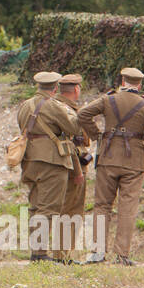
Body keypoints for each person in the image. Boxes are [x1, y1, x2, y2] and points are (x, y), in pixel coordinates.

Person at [77, 66, 144, 265]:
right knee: (128, 208)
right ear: (139, 84)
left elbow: (83, 114)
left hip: (108, 157)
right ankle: (121, 255)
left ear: (123, 82)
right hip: (134, 161)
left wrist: (97, 136)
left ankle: (98, 253)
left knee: (102, 205)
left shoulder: (108, 99)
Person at [15, 71, 80, 262]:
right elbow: (74, 128)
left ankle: (36, 251)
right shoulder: (54, 105)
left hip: (29, 160)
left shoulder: (25, 105)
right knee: (49, 207)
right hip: (51, 160)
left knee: (35, 206)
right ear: (55, 88)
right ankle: (40, 253)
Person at [57, 73, 91, 260]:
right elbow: (77, 141)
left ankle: (60, 253)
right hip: (74, 165)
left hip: (57, 165)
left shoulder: (53, 107)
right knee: (72, 210)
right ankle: (64, 254)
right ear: (76, 90)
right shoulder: (70, 112)